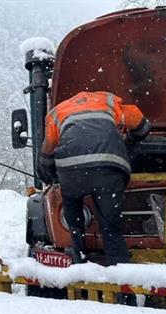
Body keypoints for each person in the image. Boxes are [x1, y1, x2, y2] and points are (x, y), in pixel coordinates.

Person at [38, 91, 150, 266]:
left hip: (71, 168)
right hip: (108, 166)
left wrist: (49, 174)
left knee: (72, 203)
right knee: (111, 230)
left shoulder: (57, 112)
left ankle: (79, 252)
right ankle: (122, 284)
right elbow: (141, 124)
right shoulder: (109, 101)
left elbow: (47, 150)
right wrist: (129, 138)